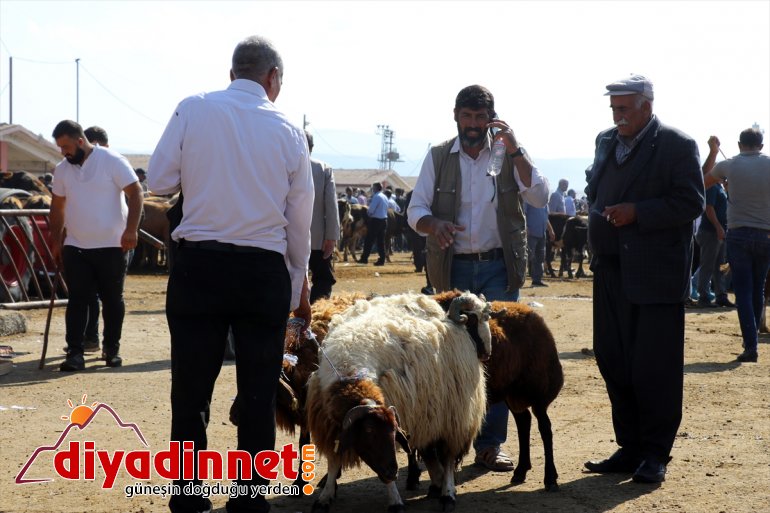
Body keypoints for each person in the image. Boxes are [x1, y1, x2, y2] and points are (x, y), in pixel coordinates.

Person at [147, 35, 313, 513]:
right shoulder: (289, 129)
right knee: (259, 390)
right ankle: (249, 496)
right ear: (273, 78)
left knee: (190, 389)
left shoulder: (193, 108)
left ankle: (188, 494)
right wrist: (299, 281)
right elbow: (299, 218)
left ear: (232, 72)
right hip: (262, 272)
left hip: (199, 268)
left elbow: (159, 181)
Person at [407, 84, 549, 471]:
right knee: (450, 353)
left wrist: (516, 148)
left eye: (480, 117)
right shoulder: (439, 155)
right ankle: (446, 442)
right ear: (456, 116)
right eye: (467, 116)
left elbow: (539, 196)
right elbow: (415, 210)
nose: (473, 124)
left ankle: (490, 445)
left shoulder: (507, 153)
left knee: (497, 354)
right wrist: (433, 224)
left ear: (492, 119)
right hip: (453, 267)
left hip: (500, 267)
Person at [583, 75, 704, 484]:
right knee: (614, 360)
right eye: (613, 109)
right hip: (609, 270)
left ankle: (654, 453)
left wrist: (637, 212)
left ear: (646, 107)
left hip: (655, 277)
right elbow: (596, 185)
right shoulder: (605, 141)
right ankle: (630, 446)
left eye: (624, 109)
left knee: (654, 368)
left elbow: (690, 201)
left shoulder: (676, 144)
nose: (617, 117)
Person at [49, 120, 144, 371]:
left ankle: (111, 349)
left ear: (80, 141)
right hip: (76, 246)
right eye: (60, 147)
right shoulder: (62, 169)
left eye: (66, 147)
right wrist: (56, 241)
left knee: (112, 300)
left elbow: (136, 193)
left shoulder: (112, 160)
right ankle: (75, 352)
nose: (63, 152)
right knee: (77, 299)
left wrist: (131, 230)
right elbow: (57, 207)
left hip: (113, 245)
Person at [703, 129, 770, 363]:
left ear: (740, 144)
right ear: (761, 146)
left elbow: (702, 182)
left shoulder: (729, 164)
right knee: (758, 288)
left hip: (739, 233)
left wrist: (714, 154)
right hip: (766, 234)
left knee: (743, 290)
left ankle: (750, 344)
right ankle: (752, 338)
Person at [694, 150, 731, 307]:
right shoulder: (712, 188)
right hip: (711, 232)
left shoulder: (719, 188)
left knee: (720, 266)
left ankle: (721, 294)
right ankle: (704, 296)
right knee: (708, 265)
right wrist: (718, 227)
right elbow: (709, 208)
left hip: (718, 231)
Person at [306, 131, 339, 303]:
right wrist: (331, 236)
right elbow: (331, 205)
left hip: (283, 237)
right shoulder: (323, 168)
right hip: (316, 238)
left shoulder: (280, 165)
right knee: (323, 279)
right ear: (312, 147)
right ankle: (314, 311)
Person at [524, 201, 554, 287]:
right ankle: (518, 280)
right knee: (527, 256)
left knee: (540, 258)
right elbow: (523, 214)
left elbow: (545, 217)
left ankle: (537, 280)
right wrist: (525, 227)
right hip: (531, 233)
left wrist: (550, 230)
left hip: (542, 233)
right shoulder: (528, 200)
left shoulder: (544, 202)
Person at [359, 182, 388, 266]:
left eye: (373, 187)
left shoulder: (376, 196)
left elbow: (371, 210)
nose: (372, 189)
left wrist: (368, 214)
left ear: (375, 188)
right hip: (384, 220)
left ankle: (364, 258)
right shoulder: (384, 196)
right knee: (381, 241)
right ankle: (382, 259)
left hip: (376, 220)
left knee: (369, 240)